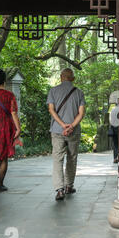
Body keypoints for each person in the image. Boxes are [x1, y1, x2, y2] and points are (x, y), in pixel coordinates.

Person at [47, 68, 86, 201]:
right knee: (72, 158)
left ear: (61, 77)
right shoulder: (79, 93)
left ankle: (59, 189)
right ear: (73, 79)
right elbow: (81, 113)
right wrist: (71, 126)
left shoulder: (53, 91)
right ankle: (69, 185)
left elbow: (51, 110)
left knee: (57, 159)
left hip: (57, 130)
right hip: (73, 131)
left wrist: (62, 125)